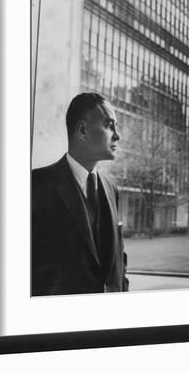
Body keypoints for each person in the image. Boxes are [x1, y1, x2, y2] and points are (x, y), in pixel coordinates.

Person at [31, 92, 129, 296]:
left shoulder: (112, 189)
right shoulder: (35, 186)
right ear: (83, 130)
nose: (117, 135)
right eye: (110, 125)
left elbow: (119, 260)